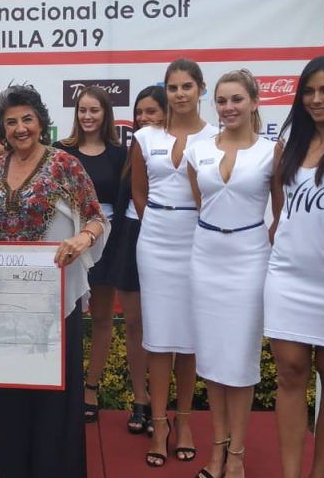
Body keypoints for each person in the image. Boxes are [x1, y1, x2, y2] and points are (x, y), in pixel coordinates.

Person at [0, 85, 108, 478]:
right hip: (7, 298)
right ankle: (11, 466)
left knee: (54, 390)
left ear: (41, 122)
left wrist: (81, 239)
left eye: (27, 119)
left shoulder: (63, 165)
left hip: (55, 295)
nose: (20, 128)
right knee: (11, 385)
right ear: (2, 128)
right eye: (11, 121)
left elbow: (96, 218)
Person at [264, 57, 324, 478]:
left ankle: (320, 472)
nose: (316, 100)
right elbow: (281, 211)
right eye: (309, 91)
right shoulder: (288, 142)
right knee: (290, 374)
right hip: (286, 275)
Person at [186, 70, 279, 478]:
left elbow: (281, 214)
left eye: (237, 99)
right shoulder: (197, 152)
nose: (228, 108)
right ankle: (217, 448)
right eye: (222, 100)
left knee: (240, 361)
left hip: (249, 259)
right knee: (211, 358)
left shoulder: (272, 152)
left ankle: (237, 454)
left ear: (255, 102)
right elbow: (201, 204)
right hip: (205, 257)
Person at [131, 59, 217, 467]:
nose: (180, 93)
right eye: (172, 87)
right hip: (156, 241)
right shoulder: (145, 137)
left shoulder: (220, 137)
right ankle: (159, 422)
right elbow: (138, 192)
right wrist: (159, 223)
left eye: (187, 86)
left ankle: (184, 421)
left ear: (201, 89)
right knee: (159, 336)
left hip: (200, 240)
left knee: (191, 339)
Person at [53, 86, 127, 424]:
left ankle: (91, 389)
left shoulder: (118, 153)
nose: (87, 116)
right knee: (63, 319)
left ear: (106, 113)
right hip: (64, 244)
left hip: (105, 244)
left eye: (94, 110)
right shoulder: (60, 150)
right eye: (82, 109)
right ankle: (59, 385)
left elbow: (125, 203)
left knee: (100, 318)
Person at [108, 86, 167, 435]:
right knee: (134, 325)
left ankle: (162, 405)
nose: (144, 118)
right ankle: (140, 398)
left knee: (166, 329)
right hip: (131, 237)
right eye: (139, 112)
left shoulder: (180, 147)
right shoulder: (132, 150)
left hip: (168, 241)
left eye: (152, 111)